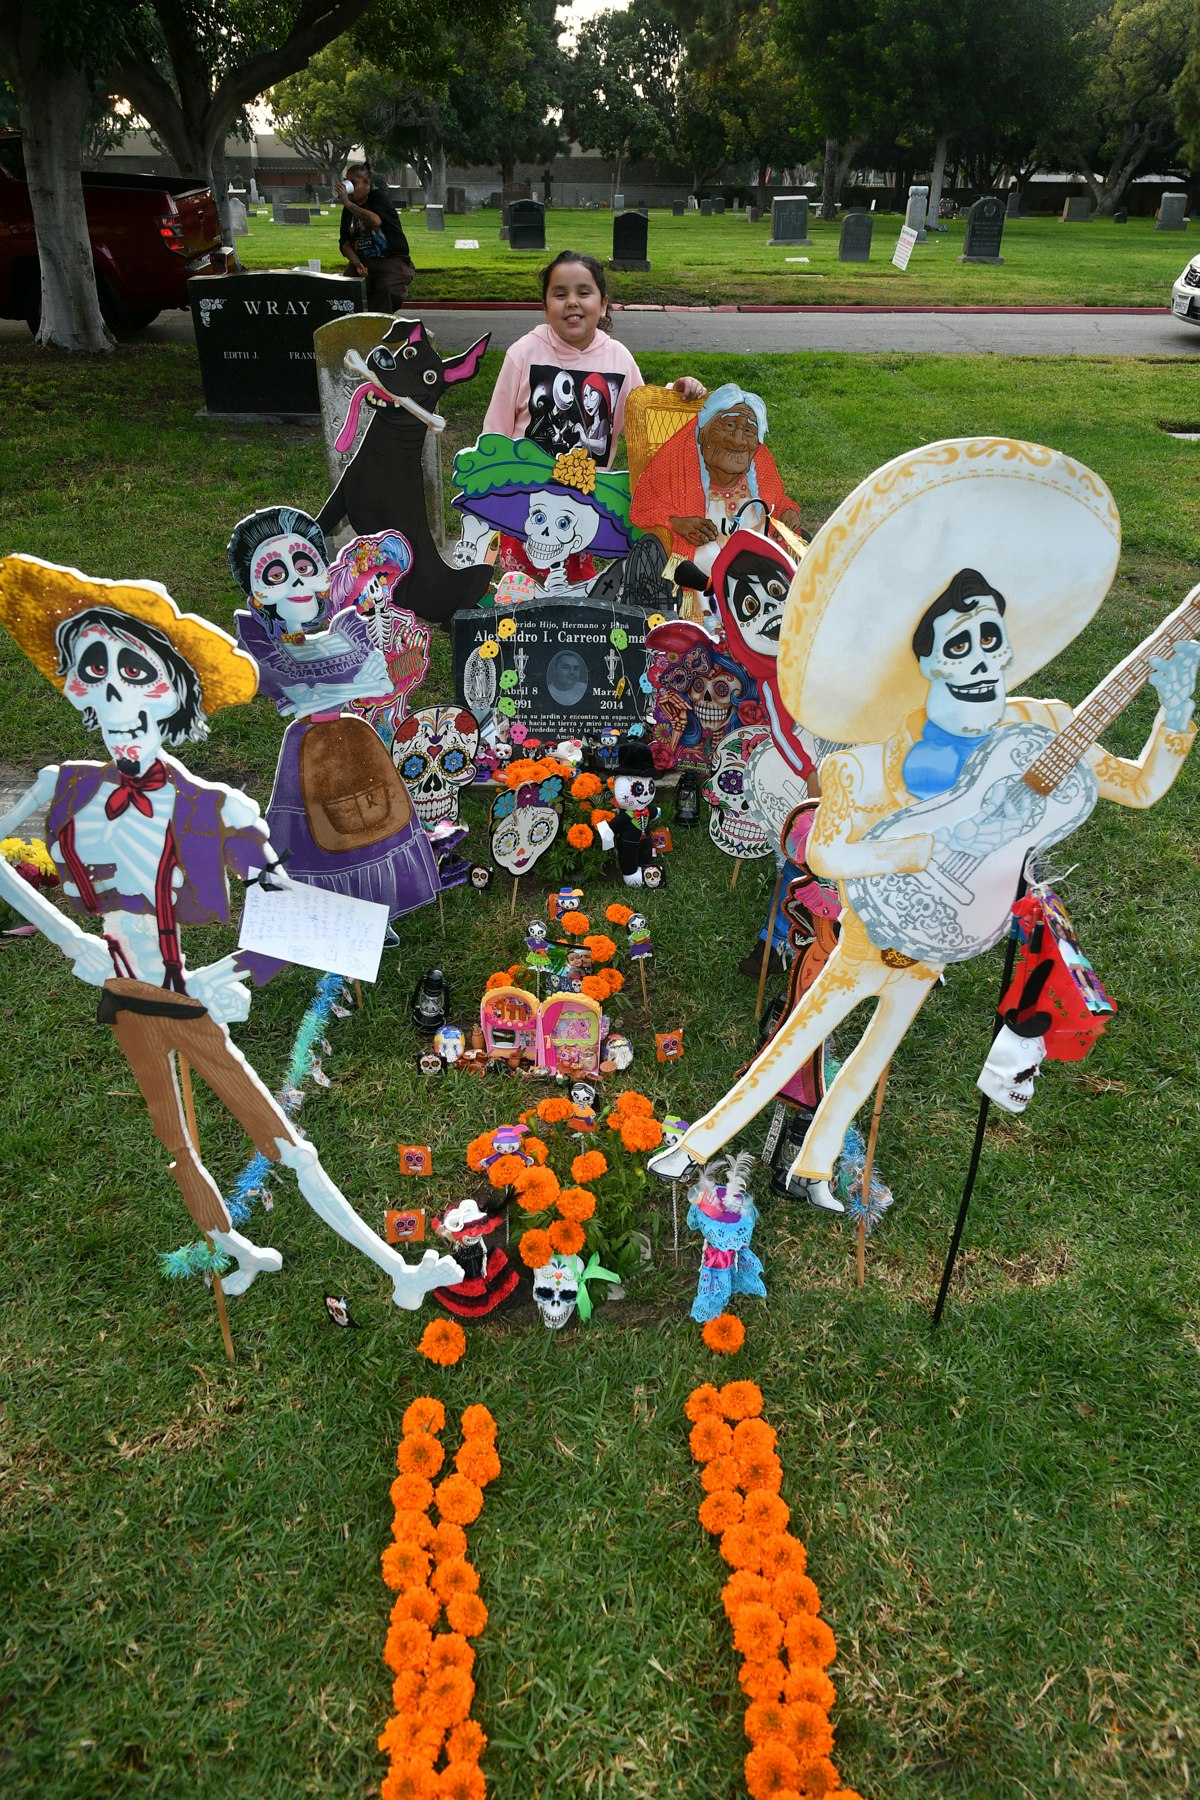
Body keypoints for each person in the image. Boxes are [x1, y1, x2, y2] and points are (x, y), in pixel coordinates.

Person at [649, 439, 1200, 1211]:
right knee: (799, 1036)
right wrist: (917, 847)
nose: (982, 657)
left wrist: (1177, 718)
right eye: (960, 644)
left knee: (876, 1052)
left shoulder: (1042, 725)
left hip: (948, 935)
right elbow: (832, 854)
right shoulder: (866, 762)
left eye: (992, 638)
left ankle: (810, 1169)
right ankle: (698, 1141)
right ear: (931, 662)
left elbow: (1139, 789)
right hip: (883, 922)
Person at [481, 250, 706, 470]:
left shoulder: (619, 359)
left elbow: (643, 423)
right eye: (560, 294)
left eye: (584, 293)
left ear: (602, 305)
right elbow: (494, 432)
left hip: (589, 501)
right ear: (545, 307)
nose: (571, 301)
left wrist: (676, 394)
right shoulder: (522, 353)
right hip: (523, 496)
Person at [630, 383, 802, 573]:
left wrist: (787, 512)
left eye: (748, 431)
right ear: (703, 431)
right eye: (729, 425)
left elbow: (775, 501)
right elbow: (643, 507)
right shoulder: (674, 462)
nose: (737, 440)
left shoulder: (760, 464)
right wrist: (677, 522)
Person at [339, 162, 415, 311]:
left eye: (354, 183)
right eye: (347, 183)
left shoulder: (377, 197)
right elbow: (345, 242)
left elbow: (375, 221)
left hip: (389, 259)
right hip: (363, 261)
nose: (350, 188)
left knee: (384, 289)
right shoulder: (348, 210)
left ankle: (381, 328)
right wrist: (357, 263)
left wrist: (348, 204)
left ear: (367, 183)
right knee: (344, 293)